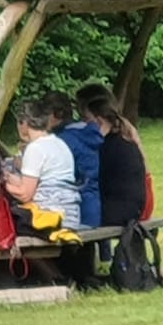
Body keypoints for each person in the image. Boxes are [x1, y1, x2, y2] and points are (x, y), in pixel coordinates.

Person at [3, 99, 84, 233]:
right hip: (71, 216)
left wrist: (3, 184)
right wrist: (16, 181)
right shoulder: (60, 144)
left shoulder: (35, 148)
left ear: (24, 123)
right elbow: (47, 183)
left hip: (51, 218)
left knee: (5, 221)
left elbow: (25, 195)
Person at [85, 94, 150, 228]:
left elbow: (93, 180)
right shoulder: (125, 140)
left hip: (118, 212)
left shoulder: (105, 147)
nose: (85, 125)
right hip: (135, 209)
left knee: (73, 217)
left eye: (87, 120)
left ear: (98, 121)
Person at [42, 91, 101, 230]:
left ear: (59, 113)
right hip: (93, 207)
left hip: (74, 211)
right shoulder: (87, 132)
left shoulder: (63, 141)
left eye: (45, 114)